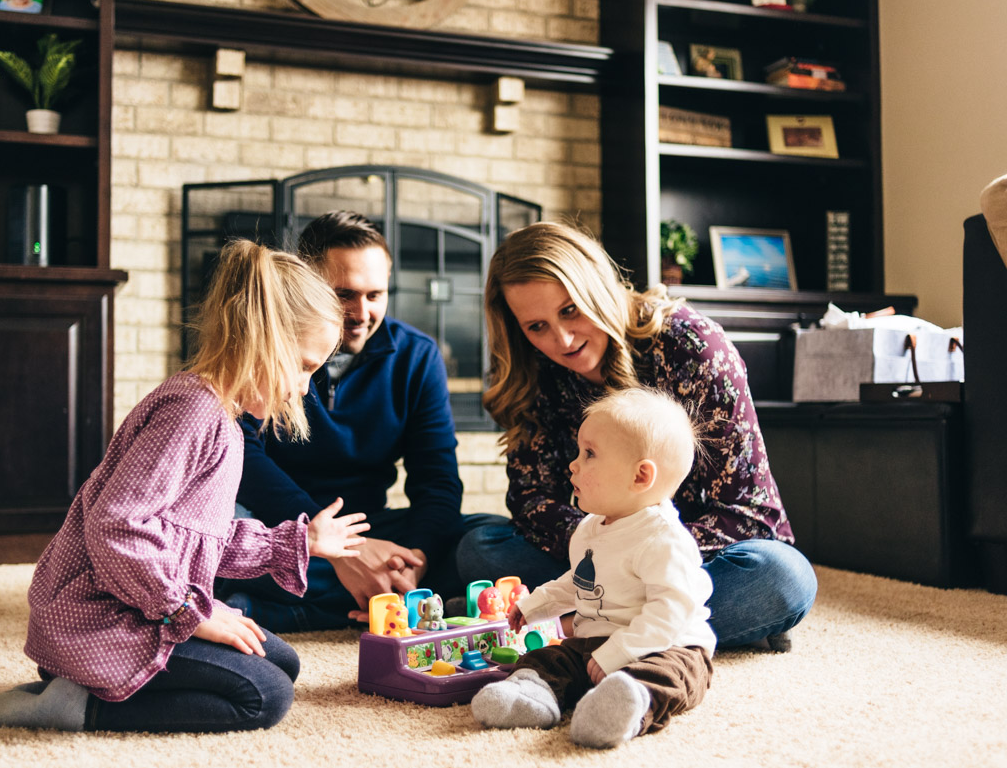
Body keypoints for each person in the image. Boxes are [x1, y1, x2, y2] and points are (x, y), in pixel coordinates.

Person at [0, 240, 370, 733]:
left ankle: (85, 687)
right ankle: (78, 705)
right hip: (100, 624)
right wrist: (190, 613)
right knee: (266, 696)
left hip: (141, 607)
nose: (304, 388)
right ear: (261, 339)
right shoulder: (192, 412)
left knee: (282, 664)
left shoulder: (224, 421)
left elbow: (205, 537)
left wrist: (300, 542)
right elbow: (116, 525)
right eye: (304, 366)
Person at [457, 222, 816, 651]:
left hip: (690, 558)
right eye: (537, 327)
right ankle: (645, 627)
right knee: (480, 545)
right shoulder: (532, 371)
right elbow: (531, 501)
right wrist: (602, 547)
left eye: (570, 309)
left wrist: (635, 549)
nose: (562, 339)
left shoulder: (692, 348)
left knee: (780, 576)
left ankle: (585, 627)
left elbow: (751, 515)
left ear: (597, 287)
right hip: (588, 561)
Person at [220, 211, 504, 633]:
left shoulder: (418, 355)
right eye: (344, 294)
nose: (361, 312)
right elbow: (241, 456)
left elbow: (437, 480)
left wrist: (416, 562)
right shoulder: (266, 346)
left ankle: (291, 608)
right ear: (308, 285)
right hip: (283, 528)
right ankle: (379, 602)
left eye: (375, 295)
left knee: (487, 541)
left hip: (374, 525)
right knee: (219, 539)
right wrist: (340, 551)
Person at [472, 387, 714, 749]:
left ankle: (627, 702)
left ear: (639, 477)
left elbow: (671, 612)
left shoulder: (663, 539)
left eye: (589, 454)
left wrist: (620, 654)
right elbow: (580, 582)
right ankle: (531, 695)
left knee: (672, 676)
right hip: (593, 644)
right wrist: (535, 606)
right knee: (547, 658)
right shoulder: (590, 528)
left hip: (665, 645)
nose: (574, 464)